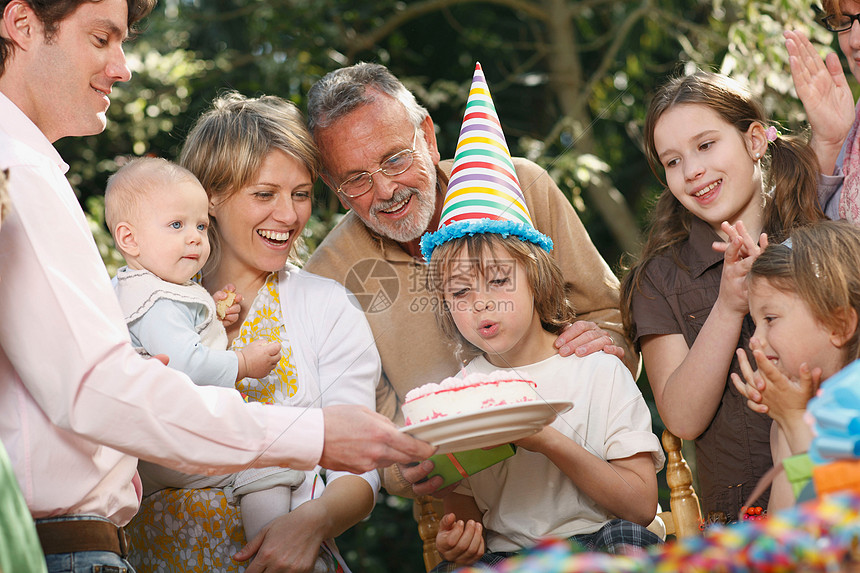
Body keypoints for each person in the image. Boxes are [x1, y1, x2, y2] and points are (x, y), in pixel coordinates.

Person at [0, 1, 434, 571]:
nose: (123, 66)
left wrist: (311, 507)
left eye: (302, 193)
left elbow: (99, 393)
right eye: (102, 37)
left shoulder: (321, 302)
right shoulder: (37, 188)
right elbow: (98, 392)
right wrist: (309, 432)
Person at [303, 62, 635, 495]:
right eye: (356, 180)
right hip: (469, 506)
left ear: (426, 134)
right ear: (332, 184)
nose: (385, 190)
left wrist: (609, 343)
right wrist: (403, 468)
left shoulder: (523, 187)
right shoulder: (329, 276)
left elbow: (611, 316)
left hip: (588, 471)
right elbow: (374, 427)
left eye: (395, 159)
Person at [126, 91, 384, 573]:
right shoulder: (145, 303)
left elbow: (360, 469)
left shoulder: (324, 306)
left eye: (301, 194)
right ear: (212, 197)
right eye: (264, 194)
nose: (288, 216)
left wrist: (309, 523)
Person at [418, 65, 663, 570]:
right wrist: (459, 533)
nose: (482, 303)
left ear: (537, 281)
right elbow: (462, 501)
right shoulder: (461, 396)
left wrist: (545, 439)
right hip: (508, 556)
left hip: (601, 542)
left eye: (500, 281)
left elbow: (640, 506)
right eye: (460, 291)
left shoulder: (594, 368)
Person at [619, 71, 826, 522]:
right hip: (742, 521)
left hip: (837, 493)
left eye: (706, 145)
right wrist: (729, 303)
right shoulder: (659, 278)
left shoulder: (818, 229)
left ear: (754, 140)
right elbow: (682, 419)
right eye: (672, 161)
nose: (692, 171)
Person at [105, 156, 321, 546]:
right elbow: (185, 363)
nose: (194, 237)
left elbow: (179, 340)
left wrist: (213, 319)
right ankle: (267, 549)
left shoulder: (143, 288)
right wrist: (242, 362)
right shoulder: (155, 300)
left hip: (153, 445)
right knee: (268, 458)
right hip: (172, 438)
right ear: (129, 239)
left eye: (201, 226)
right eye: (176, 225)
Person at [731, 220, 860, 510]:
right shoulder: (793, 415)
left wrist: (794, 420)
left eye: (771, 319)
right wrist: (788, 420)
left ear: (839, 325)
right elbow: (789, 533)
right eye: (754, 324)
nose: (755, 341)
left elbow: (838, 526)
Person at [783, 1, 860, 223]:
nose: (854, 41)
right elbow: (787, 232)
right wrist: (827, 143)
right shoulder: (850, 127)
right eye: (844, 22)